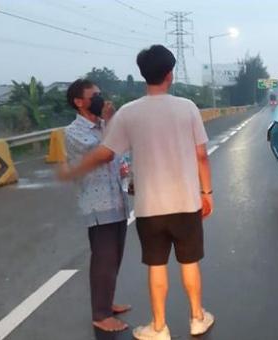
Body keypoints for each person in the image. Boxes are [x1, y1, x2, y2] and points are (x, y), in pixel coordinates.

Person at [57, 45, 214, 340]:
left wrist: (72, 171)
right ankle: (197, 318)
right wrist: (207, 192)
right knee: (189, 263)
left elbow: (105, 153)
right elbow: (202, 156)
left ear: (144, 75)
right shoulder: (188, 107)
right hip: (185, 202)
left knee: (156, 266)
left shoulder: (128, 113)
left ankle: (158, 327)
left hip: (148, 208)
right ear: (170, 74)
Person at [63, 79, 132, 331]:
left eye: (100, 94)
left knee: (114, 257)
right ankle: (101, 315)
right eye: (94, 96)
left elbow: (121, 156)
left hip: (118, 200)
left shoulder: (104, 126)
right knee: (103, 259)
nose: (100, 99)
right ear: (79, 102)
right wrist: (110, 123)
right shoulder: (74, 132)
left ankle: (107, 302)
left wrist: (129, 178)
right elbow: (106, 151)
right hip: (97, 205)